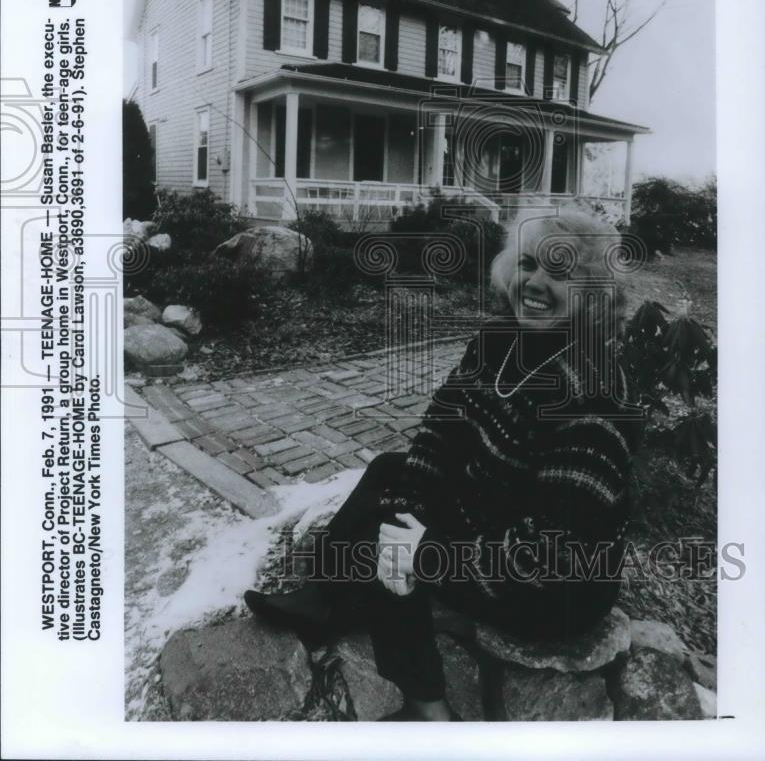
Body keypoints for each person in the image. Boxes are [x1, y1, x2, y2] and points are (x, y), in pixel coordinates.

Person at [245, 204, 641, 721]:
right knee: (392, 479)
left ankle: (430, 711)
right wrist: (407, 515)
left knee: (403, 546)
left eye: (560, 273)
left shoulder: (594, 394)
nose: (536, 283)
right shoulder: (499, 341)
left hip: (555, 588)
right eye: (527, 265)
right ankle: (325, 595)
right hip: (496, 518)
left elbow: (550, 554)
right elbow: (438, 431)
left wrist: (428, 552)